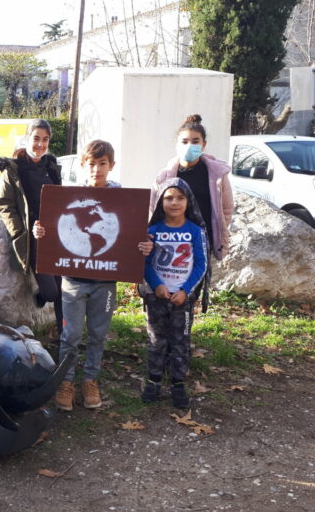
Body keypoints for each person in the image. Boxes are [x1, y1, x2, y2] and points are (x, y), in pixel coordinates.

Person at [37, 140, 149, 411]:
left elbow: (133, 234)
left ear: (111, 166)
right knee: (70, 335)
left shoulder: (123, 199)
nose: (96, 169)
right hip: (73, 282)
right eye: (91, 163)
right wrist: (40, 231)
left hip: (105, 283)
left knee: (99, 334)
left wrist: (144, 245)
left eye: (102, 164)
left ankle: (90, 379)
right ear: (82, 165)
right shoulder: (68, 196)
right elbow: (52, 230)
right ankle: (66, 381)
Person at [0, 119, 64, 342]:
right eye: (36, 138)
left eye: (45, 140)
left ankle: (65, 338)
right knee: (51, 293)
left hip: (54, 235)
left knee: (63, 290)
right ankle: (40, 295)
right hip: (32, 238)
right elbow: (5, 205)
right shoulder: (13, 169)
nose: (40, 144)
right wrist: (19, 232)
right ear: (26, 139)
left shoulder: (51, 166)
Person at [141, 178, 208, 409]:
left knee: (181, 341)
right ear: (161, 202)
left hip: (182, 298)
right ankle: (153, 379)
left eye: (180, 198)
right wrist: (156, 284)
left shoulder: (195, 231)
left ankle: (178, 383)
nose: (174, 203)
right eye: (169, 198)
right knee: (156, 339)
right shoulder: (152, 231)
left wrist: (185, 290)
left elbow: (201, 264)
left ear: (188, 202)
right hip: (156, 295)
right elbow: (145, 262)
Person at [150, 114, 233, 261]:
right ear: (177, 144)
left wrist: (219, 230)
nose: (189, 146)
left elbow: (226, 208)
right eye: (184, 141)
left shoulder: (217, 175)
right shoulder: (164, 177)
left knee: (201, 282)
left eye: (195, 142)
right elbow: (152, 210)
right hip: (172, 242)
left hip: (204, 242)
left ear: (204, 145)